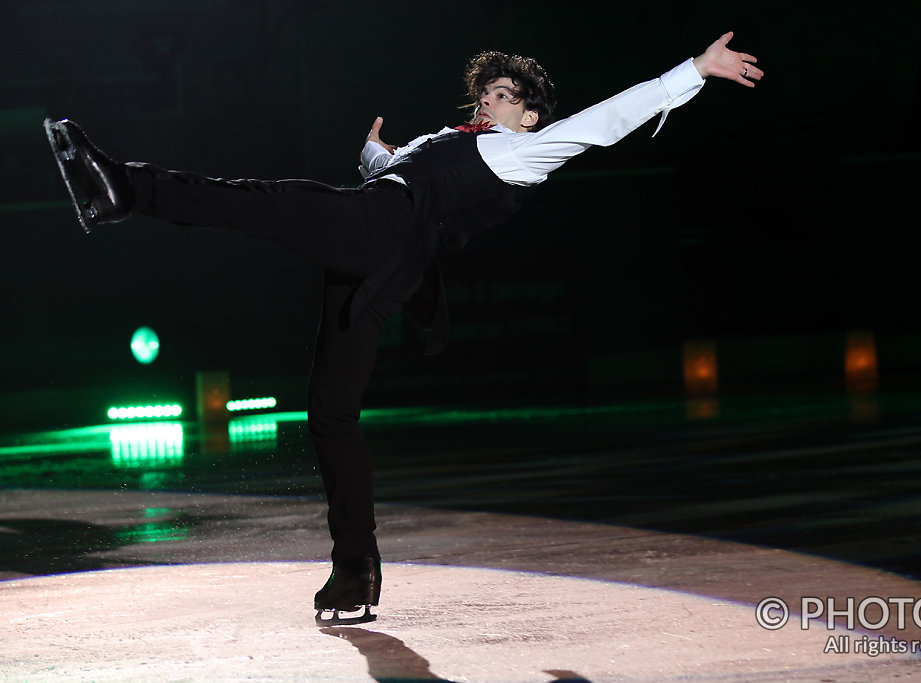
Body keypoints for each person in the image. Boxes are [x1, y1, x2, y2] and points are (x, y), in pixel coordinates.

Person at [43, 31, 762, 624]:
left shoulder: (525, 152)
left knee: (268, 201)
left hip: (377, 235)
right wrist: (377, 158)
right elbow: (410, 182)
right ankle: (355, 568)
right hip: (378, 253)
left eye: (507, 96)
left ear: (530, 119)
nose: (491, 98)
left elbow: (607, 119)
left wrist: (692, 71)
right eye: (489, 89)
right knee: (330, 415)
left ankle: (122, 188)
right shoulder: (453, 138)